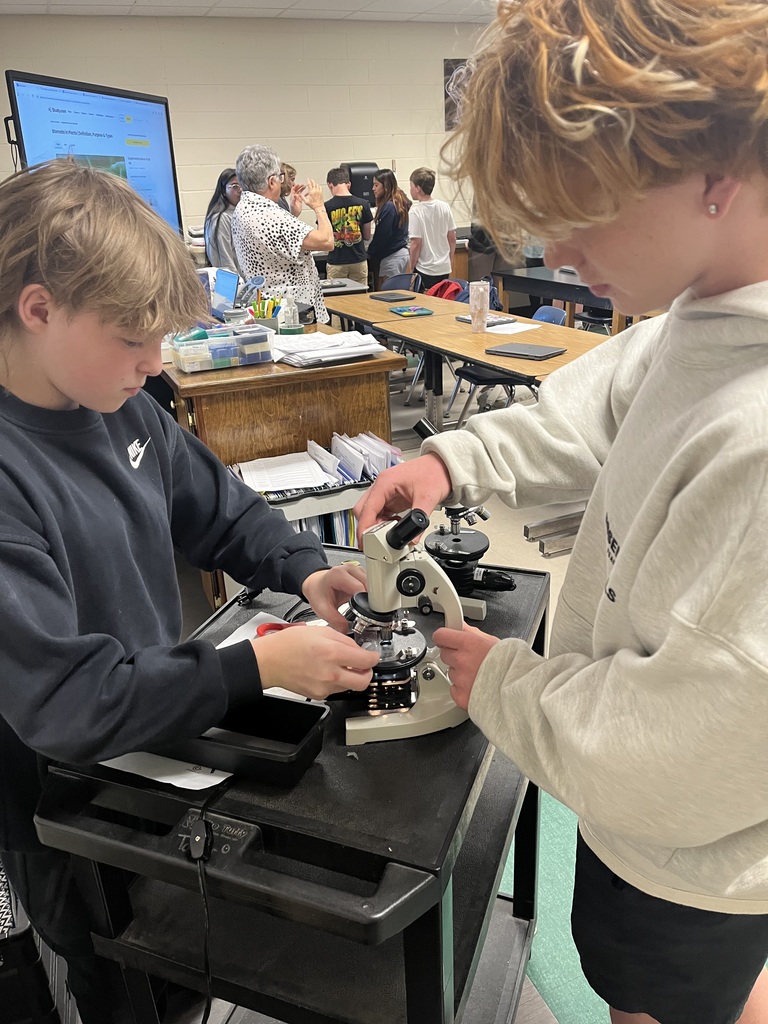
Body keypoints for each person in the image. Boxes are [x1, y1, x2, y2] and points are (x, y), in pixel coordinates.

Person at [355, 1, 768, 1022]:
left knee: (660, 996)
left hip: (688, 852)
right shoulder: (705, 307)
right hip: (654, 811)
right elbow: (598, 404)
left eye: (583, 210)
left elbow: (674, 752)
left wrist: (505, 685)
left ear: (716, 168)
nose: (558, 248)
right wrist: (455, 459)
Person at [0, 158, 379, 1024]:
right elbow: (67, 703)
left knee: (183, 966)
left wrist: (304, 567)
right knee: (118, 982)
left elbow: (220, 509)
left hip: (152, 735)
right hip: (57, 802)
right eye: (133, 338)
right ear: (38, 309)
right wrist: (260, 664)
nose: (155, 362)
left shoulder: (123, 405)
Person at [232, 144, 332, 324]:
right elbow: (326, 241)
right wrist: (319, 206)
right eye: (280, 177)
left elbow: (275, 240)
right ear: (271, 182)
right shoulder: (271, 214)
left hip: (267, 307)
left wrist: (292, 214)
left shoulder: (243, 208)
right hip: (293, 314)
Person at [407, 167, 456, 291]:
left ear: (417, 188)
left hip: (425, 269)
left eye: (411, 186)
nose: (410, 189)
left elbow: (416, 243)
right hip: (443, 268)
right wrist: (450, 259)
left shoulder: (416, 212)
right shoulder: (444, 207)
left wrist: (411, 268)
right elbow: (452, 237)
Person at [324, 167, 373, 286]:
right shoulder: (364, 204)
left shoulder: (326, 207)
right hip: (358, 260)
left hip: (336, 261)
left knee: (337, 295)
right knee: (360, 294)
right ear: (349, 184)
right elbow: (367, 236)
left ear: (330, 185)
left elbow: (324, 237)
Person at [367, 168, 411, 286]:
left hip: (391, 257)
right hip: (400, 254)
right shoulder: (398, 202)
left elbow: (382, 237)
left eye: (376, 185)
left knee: (389, 292)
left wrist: (370, 253)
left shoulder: (389, 207)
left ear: (385, 186)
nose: (373, 188)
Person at [203, 167, 241, 275]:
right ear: (224, 191)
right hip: (234, 281)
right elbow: (225, 261)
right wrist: (238, 283)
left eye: (243, 185)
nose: (241, 190)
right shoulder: (221, 218)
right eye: (235, 186)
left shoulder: (239, 213)